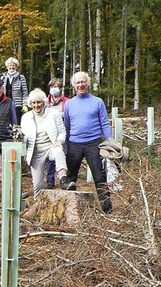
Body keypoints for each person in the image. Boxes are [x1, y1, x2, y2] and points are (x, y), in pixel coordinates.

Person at [64, 71, 113, 213]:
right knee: (71, 178)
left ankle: (107, 208)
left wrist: (109, 142)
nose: (81, 85)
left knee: (99, 176)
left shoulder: (98, 102)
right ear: (73, 85)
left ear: (88, 83)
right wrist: (66, 146)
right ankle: (70, 211)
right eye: (78, 82)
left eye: (83, 82)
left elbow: (105, 123)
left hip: (94, 143)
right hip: (74, 143)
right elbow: (67, 126)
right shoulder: (69, 104)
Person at [21, 88, 76, 198]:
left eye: (39, 102)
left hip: (51, 146)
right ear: (30, 104)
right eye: (34, 103)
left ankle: (63, 179)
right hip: (35, 152)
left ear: (44, 102)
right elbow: (24, 137)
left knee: (59, 152)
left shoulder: (54, 114)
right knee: (38, 185)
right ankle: (37, 206)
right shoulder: (26, 117)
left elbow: (62, 131)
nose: (36, 105)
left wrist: (59, 142)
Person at [45, 77, 70, 189]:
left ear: (60, 89)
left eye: (55, 87)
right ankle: (50, 181)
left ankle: (65, 180)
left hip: (64, 132)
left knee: (63, 155)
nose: (53, 89)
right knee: (50, 159)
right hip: (49, 133)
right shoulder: (45, 102)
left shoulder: (67, 102)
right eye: (51, 87)